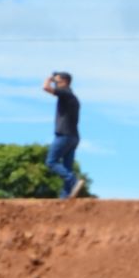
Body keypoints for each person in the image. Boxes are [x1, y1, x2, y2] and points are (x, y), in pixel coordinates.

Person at [41, 71, 81, 199]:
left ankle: (73, 181)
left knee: (51, 162)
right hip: (74, 137)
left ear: (64, 82)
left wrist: (49, 79)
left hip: (64, 135)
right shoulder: (73, 97)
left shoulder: (65, 92)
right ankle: (65, 196)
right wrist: (55, 79)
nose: (55, 84)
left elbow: (45, 88)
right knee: (67, 167)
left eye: (57, 81)